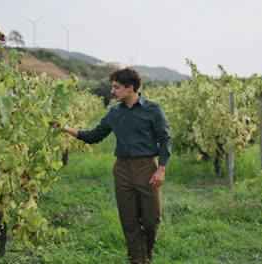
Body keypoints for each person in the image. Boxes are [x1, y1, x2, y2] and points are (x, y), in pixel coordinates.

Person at [50, 67, 172, 264]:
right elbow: (94, 136)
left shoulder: (152, 109)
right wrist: (64, 128)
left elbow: (165, 139)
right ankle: (138, 260)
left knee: (152, 220)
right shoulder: (113, 113)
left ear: (130, 88)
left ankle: (146, 251)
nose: (112, 91)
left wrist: (161, 168)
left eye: (116, 87)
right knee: (129, 221)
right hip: (122, 170)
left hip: (147, 168)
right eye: (112, 87)